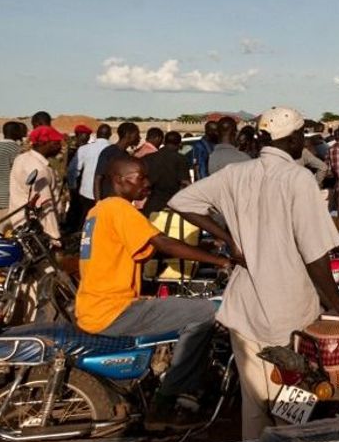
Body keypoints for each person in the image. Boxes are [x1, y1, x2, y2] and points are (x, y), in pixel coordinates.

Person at [170, 107, 339, 439]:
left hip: (244, 308)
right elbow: (315, 254)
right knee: (292, 405)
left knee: (255, 404)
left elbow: (181, 201)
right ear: (292, 139)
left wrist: (229, 240)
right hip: (287, 312)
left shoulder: (235, 173)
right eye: (301, 136)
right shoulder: (297, 178)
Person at [77, 157, 235, 427]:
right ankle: (167, 401)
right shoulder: (119, 208)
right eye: (140, 178)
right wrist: (222, 261)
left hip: (94, 306)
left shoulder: (98, 210)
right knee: (206, 312)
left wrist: (208, 249)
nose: (147, 184)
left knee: (177, 304)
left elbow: (150, 247)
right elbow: (160, 242)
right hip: (114, 310)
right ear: (119, 180)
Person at [9, 126, 63, 243]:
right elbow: (44, 207)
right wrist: (54, 236)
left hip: (20, 222)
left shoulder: (21, 158)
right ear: (46, 143)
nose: (60, 147)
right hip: (37, 231)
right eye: (57, 143)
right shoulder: (40, 169)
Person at [143, 131, 191, 216]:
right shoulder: (181, 159)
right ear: (179, 144)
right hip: (173, 204)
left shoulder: (149, 158)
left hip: (152, 204)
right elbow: (185, 183)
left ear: (164, 142)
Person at [71, 124, 111, 218]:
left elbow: (73, 170)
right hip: (106, 194)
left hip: (86, 192)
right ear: (109, 135)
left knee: (86, 219)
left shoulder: (84, 149)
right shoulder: (114, 150)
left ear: (97, 134)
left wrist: (72, 186)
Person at [95, 122, 140, 201]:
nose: (138, 137)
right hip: (107, 200)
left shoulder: (126, 155)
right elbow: (98, 178)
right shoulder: (108, 152)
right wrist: (98, 202)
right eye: (136, 134)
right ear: (128, 135)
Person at [0, 121, 26, 214]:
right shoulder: (14, 148)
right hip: (11, 195)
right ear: (15, 132)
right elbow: (21, 171)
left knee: (2, 225)